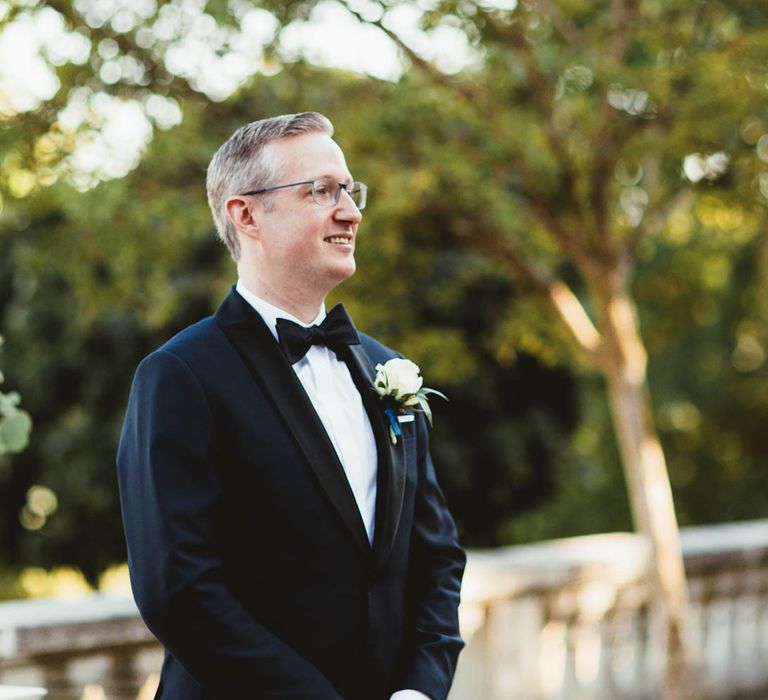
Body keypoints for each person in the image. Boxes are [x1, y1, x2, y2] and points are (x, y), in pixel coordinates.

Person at [117, 112, 465, 700]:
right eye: (321, 191)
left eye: (350, 191)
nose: (351, 212)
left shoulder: (386, 369)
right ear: (246, 214)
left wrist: (419, 690)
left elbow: (436, 557)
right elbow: (179, 590)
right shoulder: (179, 376)